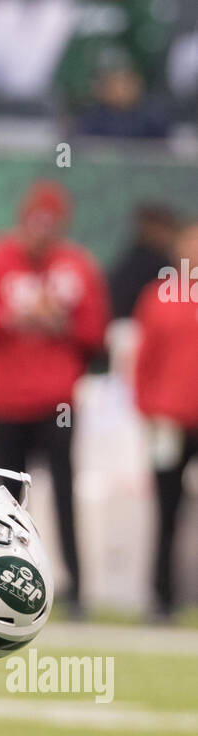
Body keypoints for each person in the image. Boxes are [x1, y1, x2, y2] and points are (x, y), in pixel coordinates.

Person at [0, 181, 110, 617]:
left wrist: (59, 321)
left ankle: (76, 589)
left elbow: (97, 335)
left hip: (56, 403)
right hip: (7, 402)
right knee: (2, 504)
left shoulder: (77, 266)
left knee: (64, 494)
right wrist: (16, 316)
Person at [133, 220, 198, 618]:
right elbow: (143, 362)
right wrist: (148, 410)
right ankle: (162, 597)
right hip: (169, 419)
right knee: (167, 510)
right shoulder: (158, 298)